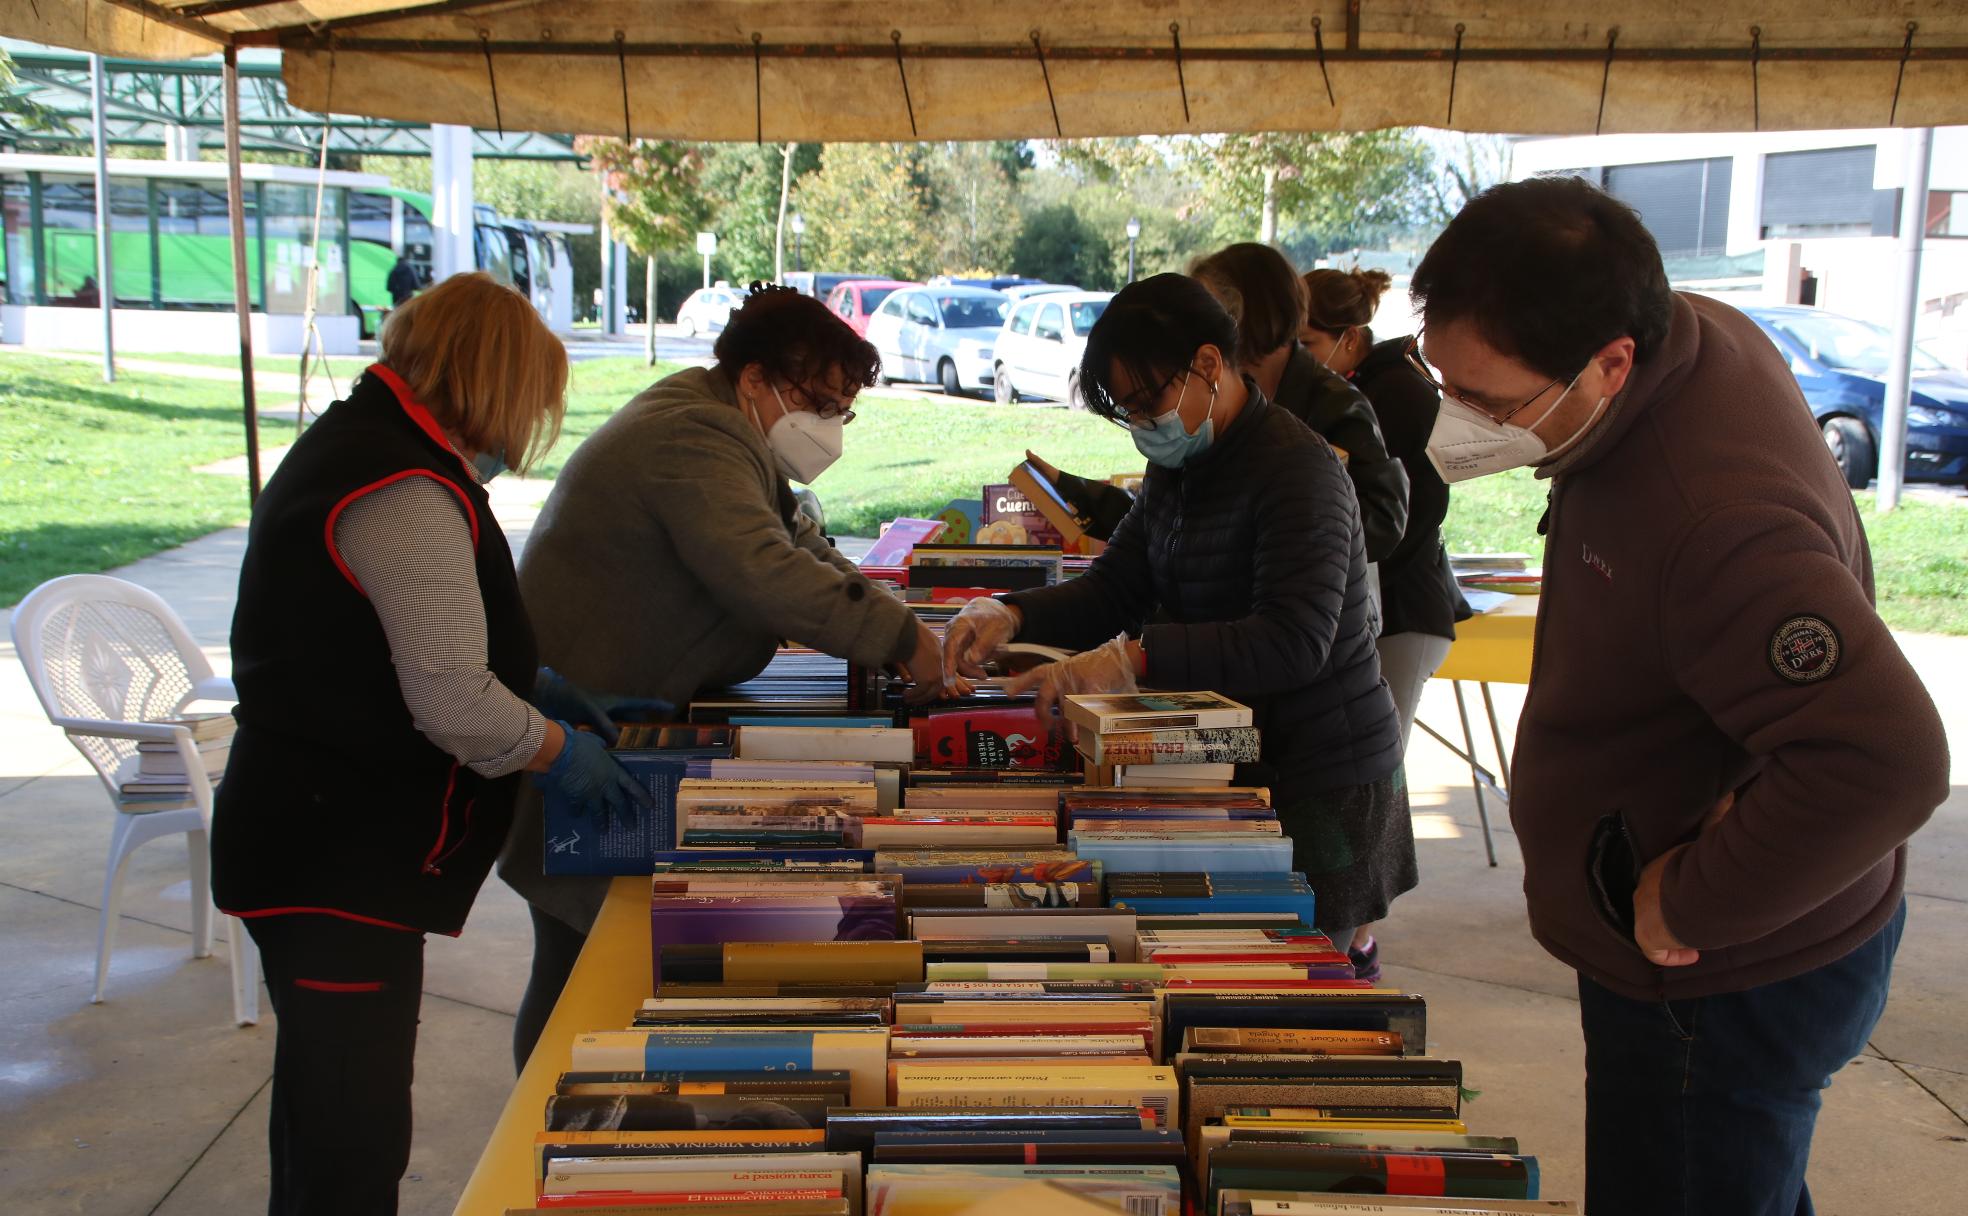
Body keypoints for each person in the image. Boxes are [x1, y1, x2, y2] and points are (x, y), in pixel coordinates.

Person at [1407, 176, 1947, 1215]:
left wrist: (1687, 898)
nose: (1461, 421)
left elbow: (1891, 758)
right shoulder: (1678, 334)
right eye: (1446, 382)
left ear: (1613, 361)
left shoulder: (1716, 524)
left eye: (1492, 401)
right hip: (1706, 949)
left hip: (1724, 975)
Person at [211, 272, 649, 1215]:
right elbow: (451, 699)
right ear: (491, 380)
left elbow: (390, 638)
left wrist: (533, 683)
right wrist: (553, 746)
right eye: (529, 398)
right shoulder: (401, 483)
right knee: (351, 1142)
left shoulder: (378, 444)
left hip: (319, 846)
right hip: (333, 861)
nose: (526, 423)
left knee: (325, 1114)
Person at [501, 283, 947, 1068]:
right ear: (754, 379)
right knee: (578, 957)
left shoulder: (726, 429)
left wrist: (891, 621)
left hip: (619, 715)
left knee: (588, 952)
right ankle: (549, 1114)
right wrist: (900, 637)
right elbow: (764, 569)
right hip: (583, 729)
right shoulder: (694, 437)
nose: (829, 425)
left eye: (844, 408)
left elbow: (797, 540)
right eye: (818, 401)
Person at [941, 274, 1415, 971]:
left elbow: (1294, 641)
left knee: (1293, 999)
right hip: (1237, 763)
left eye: (1148, 400)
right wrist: (1009, 613)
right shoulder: (1184, 466)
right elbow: (1118, 586)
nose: (1142, 424)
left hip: (1322, 781)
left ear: (1209, 365)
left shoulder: (1297, 469)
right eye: (1126, 410)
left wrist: (1134, 660)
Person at [1301, 266, 1469, 753]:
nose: (1300, 361)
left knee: (1378, 769)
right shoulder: (1362, 389)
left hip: (1403, 611)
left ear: (1349, 339)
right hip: (1380, 608)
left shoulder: (1394, 392)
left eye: (1308, 345)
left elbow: (1420, 512)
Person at [1189, 244, 1409, 568]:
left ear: (1252, 312)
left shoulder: (1337, 403)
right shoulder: (1218, 389)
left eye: (1208, 309)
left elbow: (1382, 522)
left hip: (1315, 603)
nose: (1196, 327)